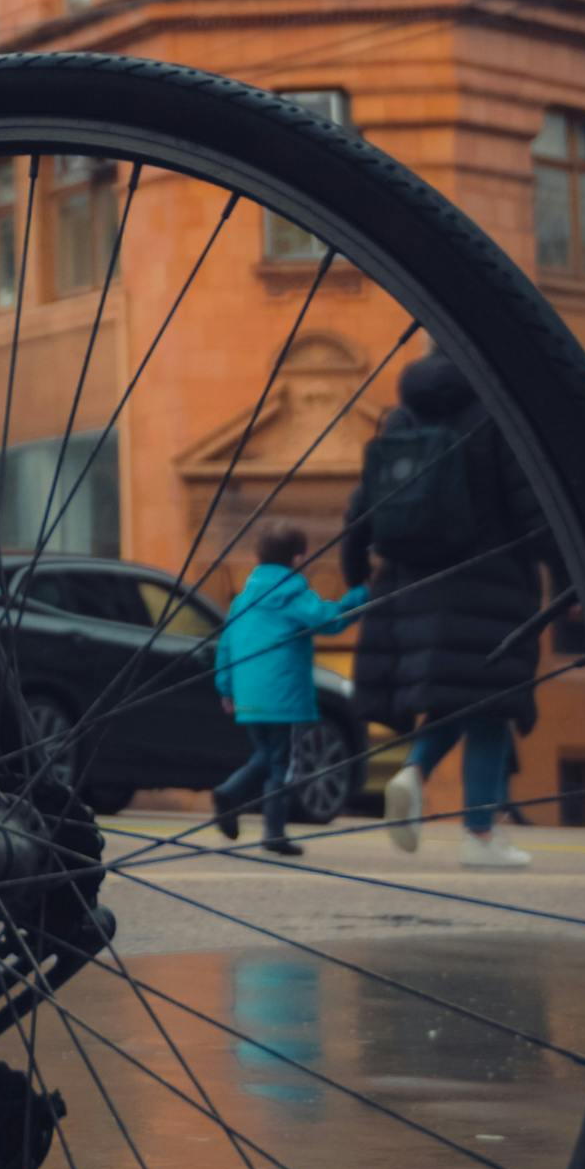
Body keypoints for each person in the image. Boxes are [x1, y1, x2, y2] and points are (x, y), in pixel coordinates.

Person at [342, 352, 546, 867]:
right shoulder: (495, 419)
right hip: (493, 586)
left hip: (412, 587)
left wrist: (355, 573)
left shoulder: (401, 421)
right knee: (490, 709)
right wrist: (570, 579)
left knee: (459, 699)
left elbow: (362, 506)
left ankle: (413, 772)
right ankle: (479, 835)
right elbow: (533, 508)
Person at [207, 526, 368, 860]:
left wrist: (226, 688)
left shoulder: (243, 598)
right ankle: (271, 830)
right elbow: (330, 620)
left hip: (249, 695)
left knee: (266, 756)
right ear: (299, 558)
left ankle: (231, 795)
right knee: (284, 765)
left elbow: (225, 646)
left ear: (257, 558)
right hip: (285, 697)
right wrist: (361, 596)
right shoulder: (293, 594)